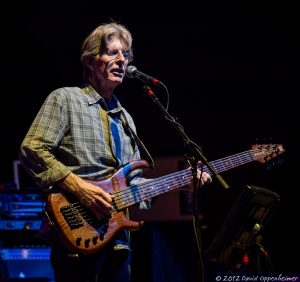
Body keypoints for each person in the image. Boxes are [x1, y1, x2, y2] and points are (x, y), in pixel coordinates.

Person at [19, 22, 212, 282]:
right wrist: (81, 189)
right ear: (90, 61)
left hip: (119, 243)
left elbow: (134, 187)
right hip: (77, 237)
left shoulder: (126, 120)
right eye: (112, 52)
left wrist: (182, 183)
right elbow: (32, 148)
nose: (122, 60)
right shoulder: (65, 99)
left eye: (126, 54)